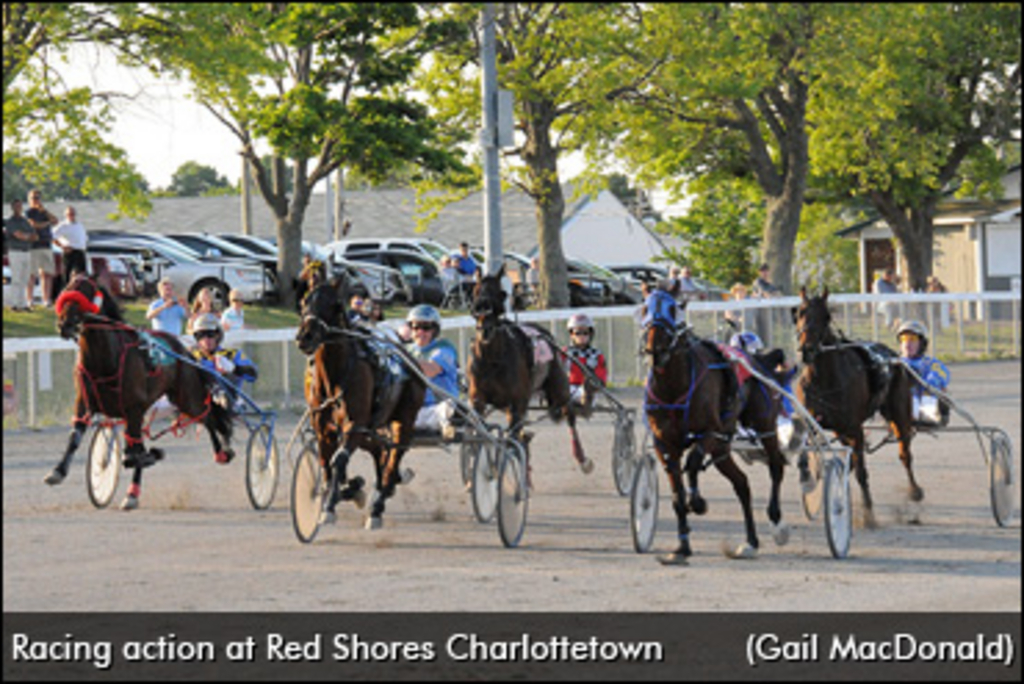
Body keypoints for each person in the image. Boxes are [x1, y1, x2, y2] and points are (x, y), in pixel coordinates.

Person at [189, 314, 259, 461]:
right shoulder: (191, 356)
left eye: (210, 334)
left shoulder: (231, 354)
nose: (206, 339)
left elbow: (253, 374)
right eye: (201, 335)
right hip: (199, 397)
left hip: (227, 397)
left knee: (222, 394)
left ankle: (225, 443)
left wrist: (234, 368)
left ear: (218, 336)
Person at [405, 305, 460, 436]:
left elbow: (431, 370)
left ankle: (447, 425)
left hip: (438, 407)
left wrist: (403, 360)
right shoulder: (406, 350)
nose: (420, 332)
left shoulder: (444, 349)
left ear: (434, 330)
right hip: (413, 409)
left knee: (449, 408)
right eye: (415, 327)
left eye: (426, 328)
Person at [896, 320, 950, 425]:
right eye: (904, 339)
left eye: (912, 339)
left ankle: (927, 414)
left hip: (924, 401)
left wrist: (932, 381)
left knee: (931, 383)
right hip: (900, 403)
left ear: (922, 343)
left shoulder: (930, 363)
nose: (907, 343)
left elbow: (943, 375)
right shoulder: (894, 362)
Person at [562, 314, 607, 414]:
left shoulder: (596, 355)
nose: (582, 336)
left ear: (590, 334)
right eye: (577, 333)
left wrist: (597, 383)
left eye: (585, 333)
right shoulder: (564, 353)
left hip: (587, 391)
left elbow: (601, 376)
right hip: (568, 388)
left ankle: (584, 406)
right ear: (571, 335)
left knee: (587, 388)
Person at [25, 189, 59, 307]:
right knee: (31, 274)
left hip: (46, 245)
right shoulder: (28, 212)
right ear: (29, 199)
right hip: (33, 246)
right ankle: (29, 299)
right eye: (34, 198)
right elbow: (34, 225)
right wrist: (47, 223)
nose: (36, 200)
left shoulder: (44, 213)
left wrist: (45, 212)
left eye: (38, 197)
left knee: (47, 274)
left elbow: (55, 220)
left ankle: (46, 300)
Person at [5, 199, 36, 312]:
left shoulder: (25, 221)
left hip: (27, 251)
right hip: (15, 251)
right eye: (16, 206)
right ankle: (14, 304)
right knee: (16, 278)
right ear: (12, 208)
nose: (18, 208)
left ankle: (22, 304)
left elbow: (34, 236)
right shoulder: (10, 222)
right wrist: (26, 236)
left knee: (25, 279)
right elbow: (18, 235)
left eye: (20, 206)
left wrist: (26, 235)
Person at [52, 205, 88, 290]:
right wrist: (62, 246)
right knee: (68, 274)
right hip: (70, 252)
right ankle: (66, 292)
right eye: (69, 214)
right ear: (66, 215)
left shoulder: (79, 225)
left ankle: (79, 292)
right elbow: (52, 236)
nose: (71, 216)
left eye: (72, 214)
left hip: (80, 251)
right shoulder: (63, 225)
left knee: (81, 274)